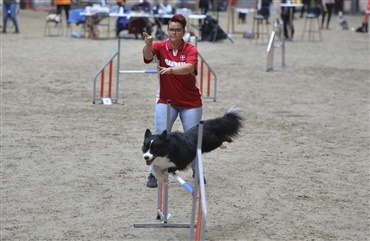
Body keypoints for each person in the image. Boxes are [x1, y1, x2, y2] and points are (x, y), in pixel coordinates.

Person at [142, 14, 203, 188]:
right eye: (170, 29)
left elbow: (190, 67)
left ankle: (197, 170)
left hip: (190, 102)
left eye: (177, 29)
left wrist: (171, 70)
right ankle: (154, 173)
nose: (173, 32)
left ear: (184, 31)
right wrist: (147, 45)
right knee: (159, 136)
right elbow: (147, 58)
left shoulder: (191, 49)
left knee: (192, 139)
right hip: (165, 100)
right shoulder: (160, 46)